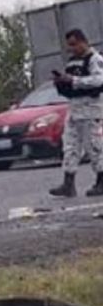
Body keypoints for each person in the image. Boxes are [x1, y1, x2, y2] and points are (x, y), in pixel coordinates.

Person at [49, 29, 103, 198]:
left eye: (73, 44)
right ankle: (68, 183)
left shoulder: (95, 59)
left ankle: (101, 181)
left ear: (82, 42)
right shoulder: (72, 62)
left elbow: (99, 80)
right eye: (69, 45)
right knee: (70, 146)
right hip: (74, 108)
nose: (71, 48)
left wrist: (74, 80)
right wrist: (61, 82)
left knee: (95, 146)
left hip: (92, 109)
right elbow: (69, 82)